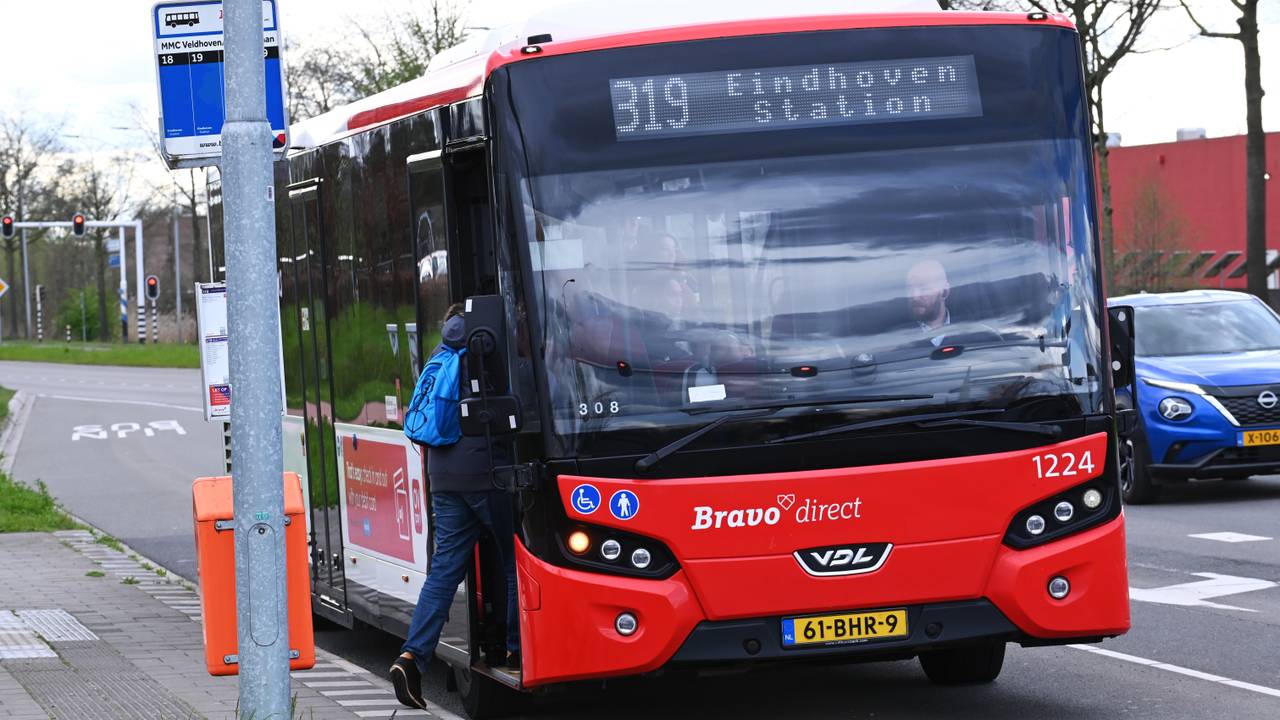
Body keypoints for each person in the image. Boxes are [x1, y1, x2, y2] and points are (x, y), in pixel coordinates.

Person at [390, 303, 519, 711]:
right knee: (515, 560)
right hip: (485, 474)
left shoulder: (441, 352)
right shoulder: (487, 348)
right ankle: (517, 650)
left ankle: (411, 659)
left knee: (445, 570)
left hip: (443, 475)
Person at [905, 259, 952, 346]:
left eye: (923, 288)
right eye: (910, 288)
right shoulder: (898, 340)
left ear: (945, 292)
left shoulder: (972, 330)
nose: (914, 296)